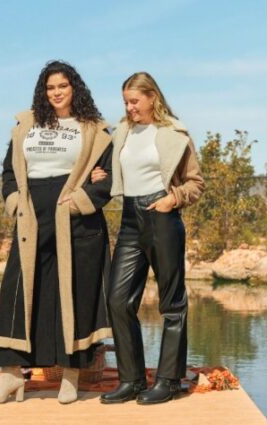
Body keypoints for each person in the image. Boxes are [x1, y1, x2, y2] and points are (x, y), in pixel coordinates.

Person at [0, 60, 113, 405]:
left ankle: (71, 374)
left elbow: (109, 176)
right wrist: (14, 201)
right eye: (50, 87)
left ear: (75, 89)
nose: (56, 93)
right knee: (17, 289)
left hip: (74, 216)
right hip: (31, 214)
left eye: (62, 86)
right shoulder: (26, 125)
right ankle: (11, 375)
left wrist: (80, 201)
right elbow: (9, 172)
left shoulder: (93, 129)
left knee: (73, 291)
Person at [95, 72, 204, 405]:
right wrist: (102, 174)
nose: (129, 108)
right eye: (126, 102)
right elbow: (116, 170)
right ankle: (132, 380)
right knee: (118, 299)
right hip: (130, 218)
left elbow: (195, 183)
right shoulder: (122, 132)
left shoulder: (174, 133)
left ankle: (169, 380)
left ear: (152, 97)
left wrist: (173, 199)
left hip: (162, 215)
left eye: (135, 101)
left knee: (172, 302)